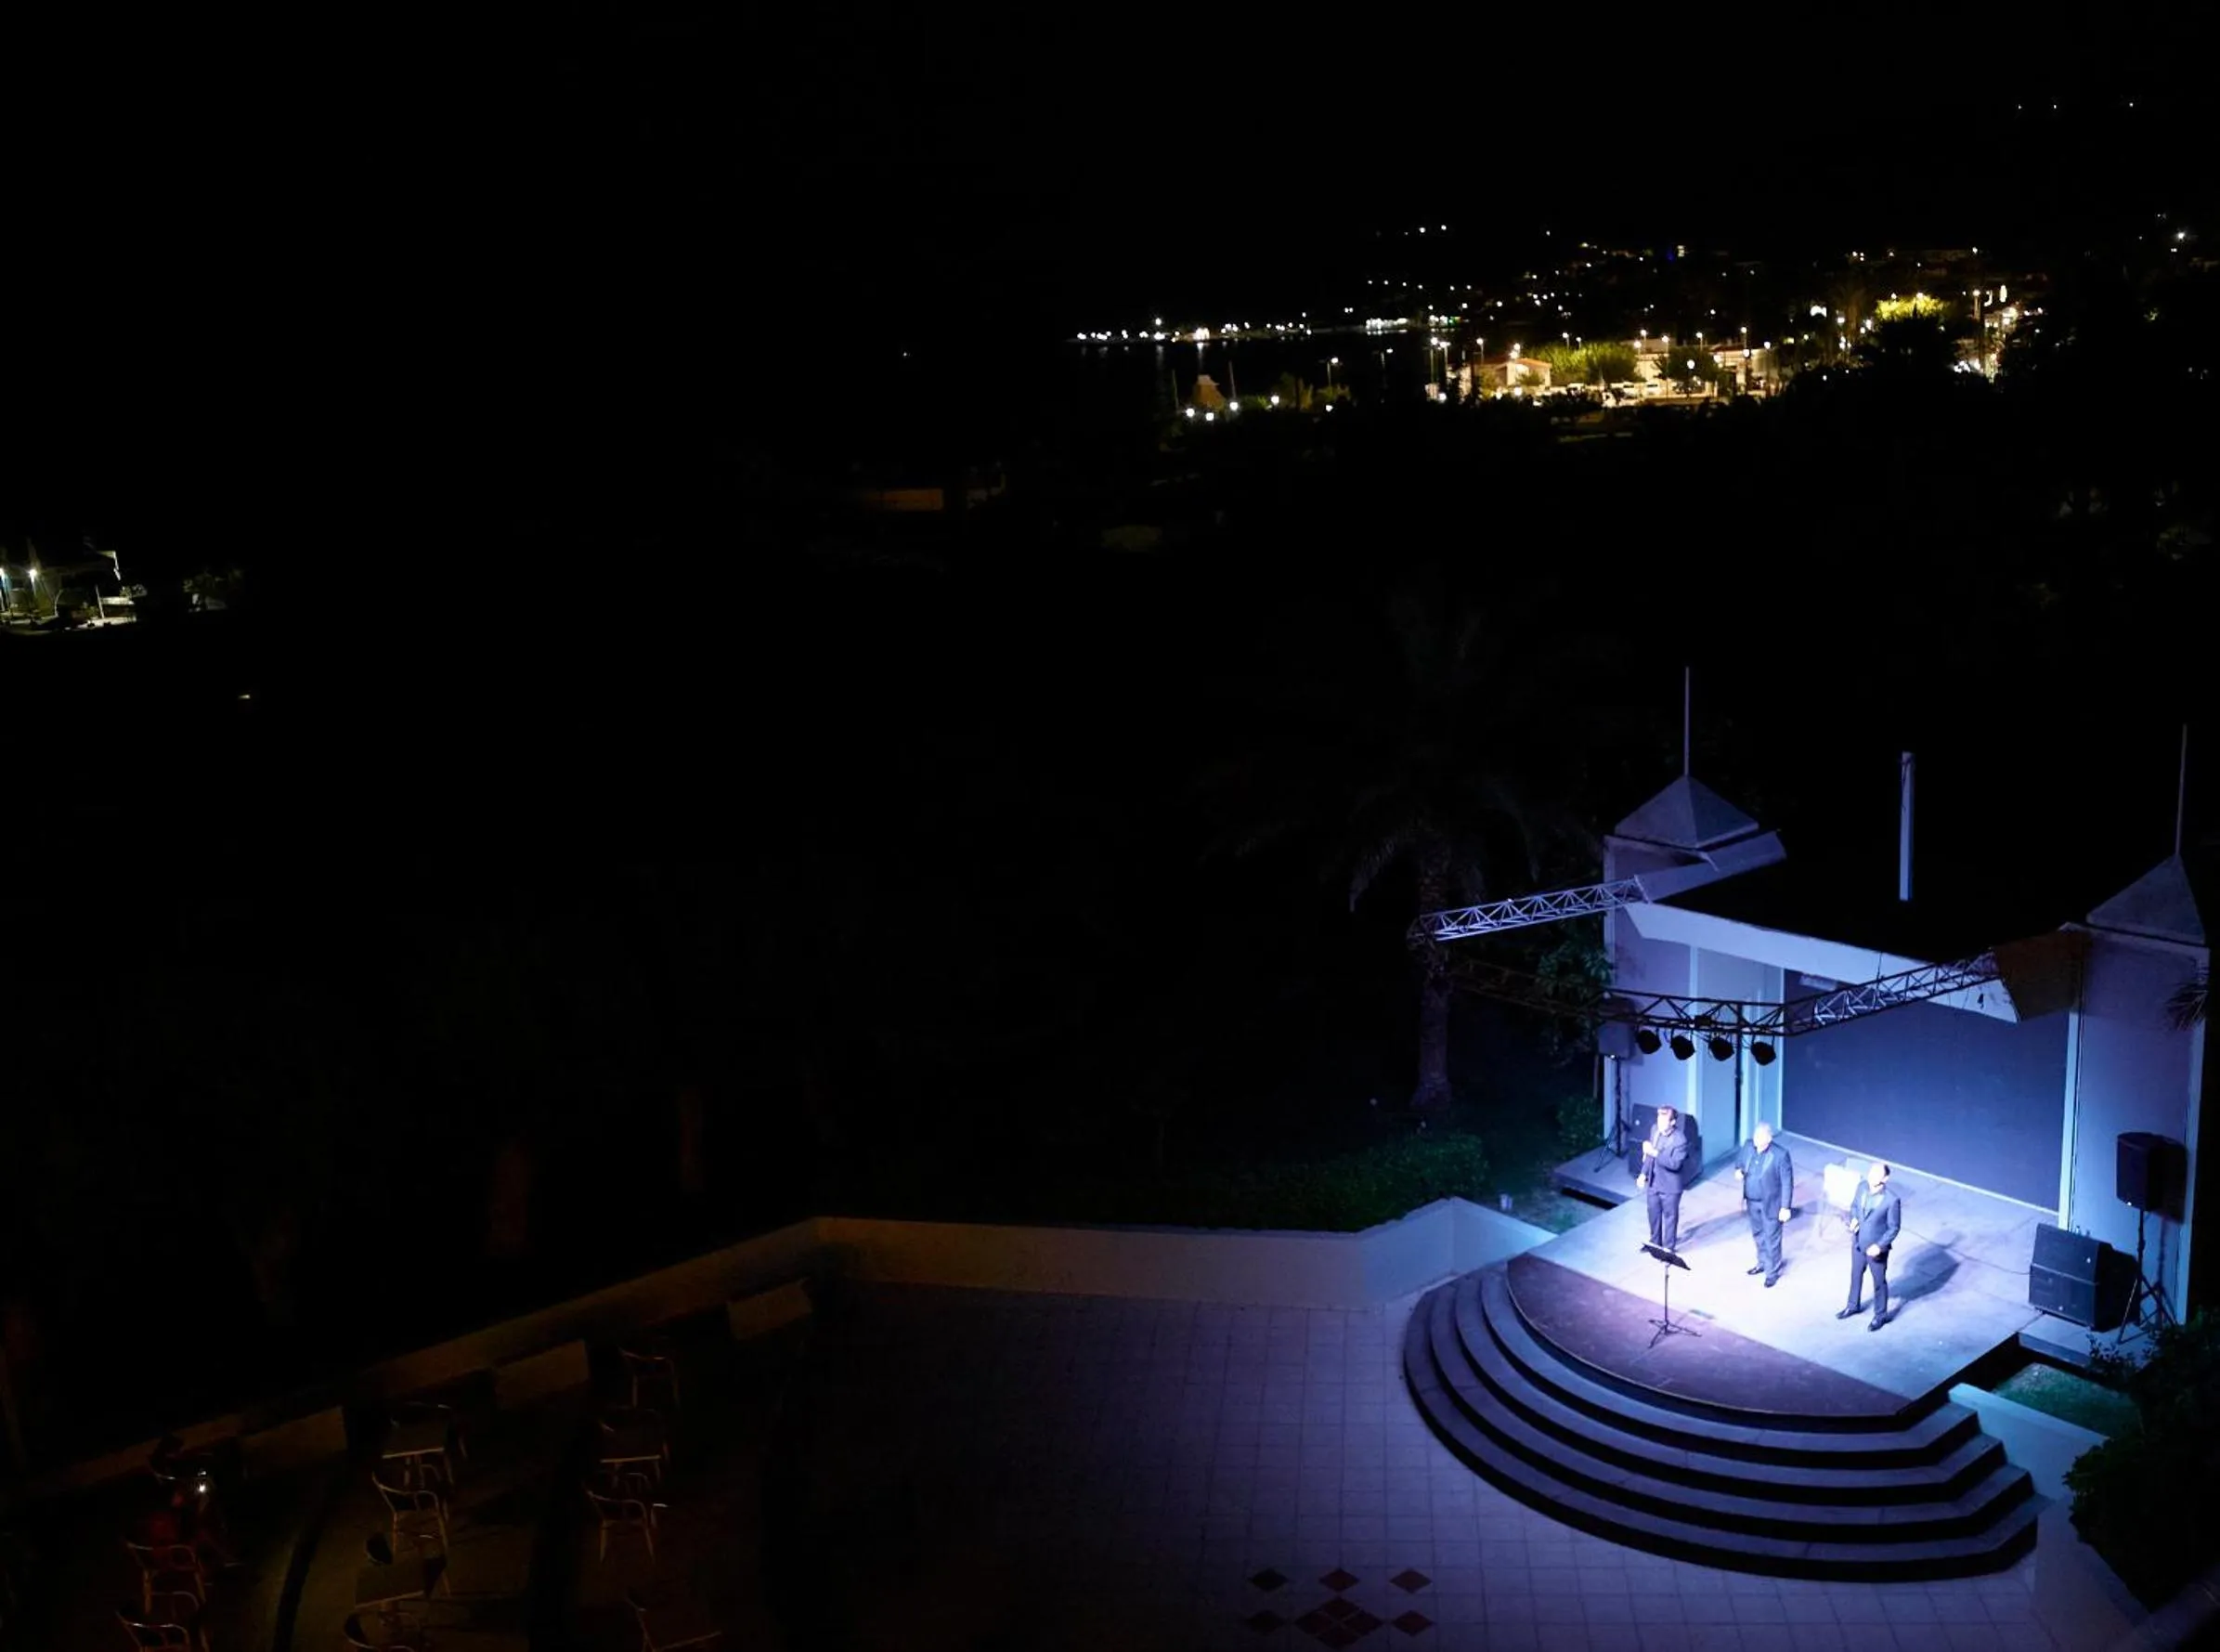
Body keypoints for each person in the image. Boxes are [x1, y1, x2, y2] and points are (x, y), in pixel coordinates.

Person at [1838, 1160, 1902, 1331]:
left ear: (1885, 1178)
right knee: (1856, 1274)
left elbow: (1894, 1227)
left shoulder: (1892, 1200)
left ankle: (1880, 1316)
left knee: (1879, 1282)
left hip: (1876, 1249)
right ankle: (1852, 1305)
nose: (1872, 1176)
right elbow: (1854, 1207)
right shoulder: (1861, 1187)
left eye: (1877, 1173)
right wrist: (1853, 1219)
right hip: (1859, 1242)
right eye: (1871, 1172)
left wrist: (1880, 1246)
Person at [1734, 1123, 1795, 1286]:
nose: (1756, 1139)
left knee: (1772, 1238)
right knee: (1758, 1235)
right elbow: (1739, 1162)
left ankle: (1772, 1272)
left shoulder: (1780, 1155)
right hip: (1752, 1202)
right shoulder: (1748, 1146)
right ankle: (1761, 1263)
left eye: (1760, 1136)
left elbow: (1787, 1182)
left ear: (1769, 1138)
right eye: (1755, 1135)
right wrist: (1738, 1170)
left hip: (1771, 1204)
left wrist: (1785, 1207)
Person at [1635, 1105, 1691, 1255]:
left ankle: (1668, 1248)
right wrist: (1643, 1174)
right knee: (1653, 1213)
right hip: (1654, 1182)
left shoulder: (1680, 1140)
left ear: (1672, 1122)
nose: (1659, 1122)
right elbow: (1649, 1156)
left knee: (1670, 1217)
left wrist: (1654, 1152)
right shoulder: (1655, 1130)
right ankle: (1654, 1242)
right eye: (1658, 1118)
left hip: (1671, 1186)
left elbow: (1675, 1164)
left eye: (1663, 1120)